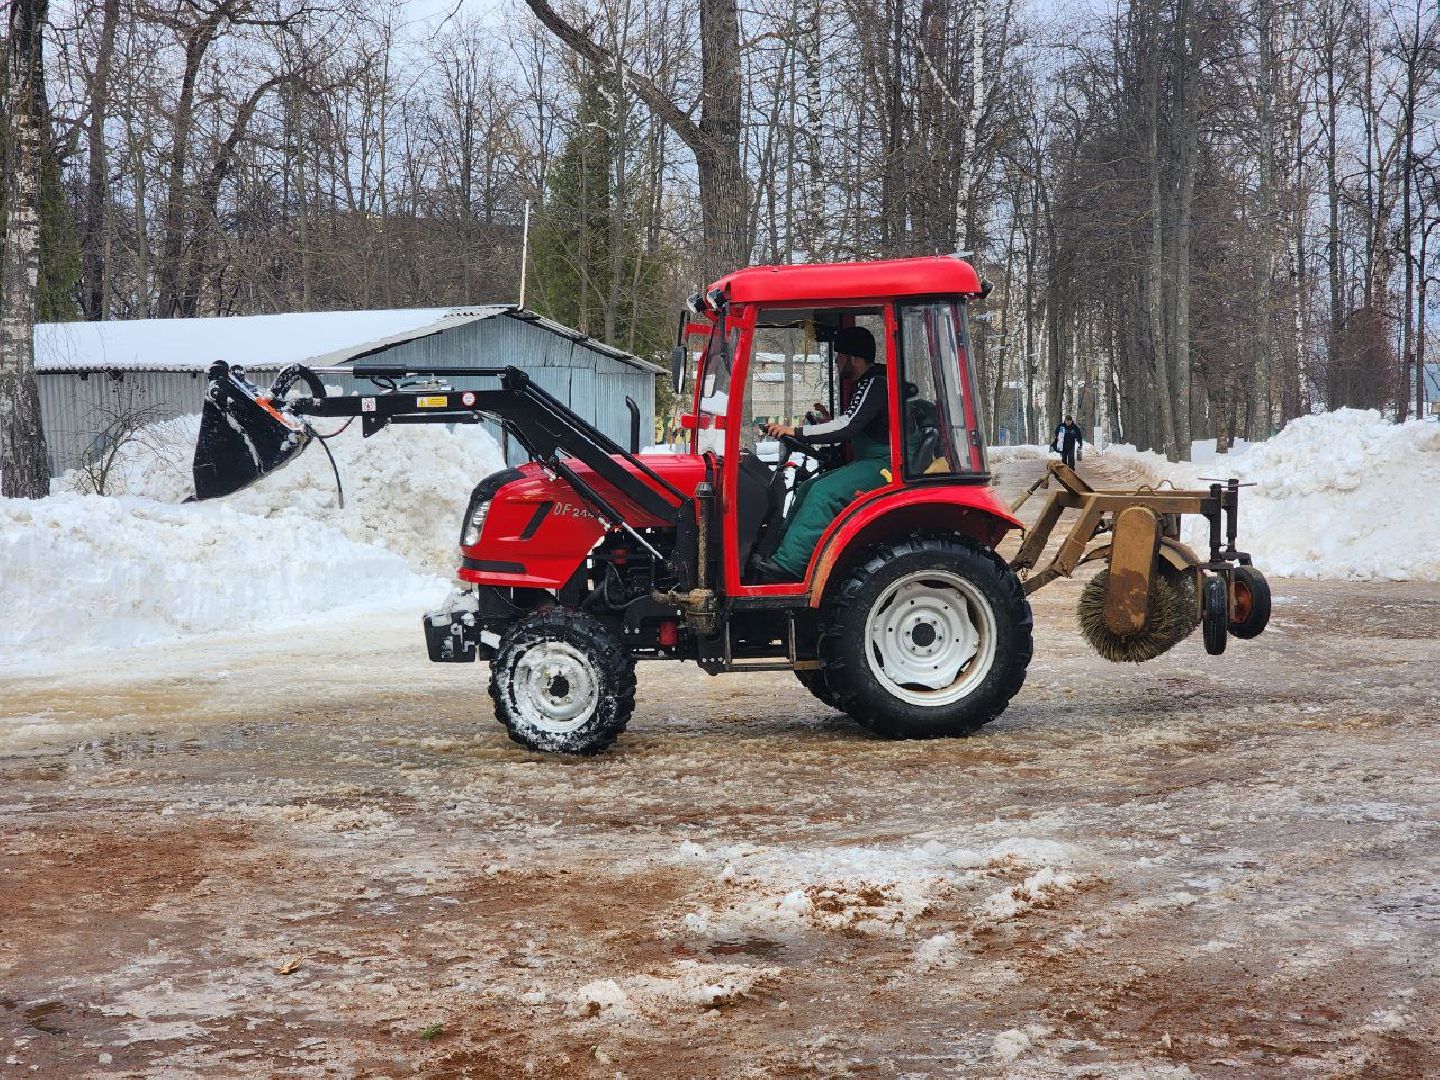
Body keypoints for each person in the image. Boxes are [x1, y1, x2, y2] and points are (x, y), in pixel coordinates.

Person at [751, 326, 889, 583]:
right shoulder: (867, 384)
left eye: (839, 356)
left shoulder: (875, 383)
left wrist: (795, 431)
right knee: (807, 488)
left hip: (887, 465)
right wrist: (826, 423)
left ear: (853, 357)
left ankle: (789, 567)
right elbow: (856, 422)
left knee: (824, 494)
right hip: (873, 461)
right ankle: (777, 555)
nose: (836, 362)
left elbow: (849, 426)